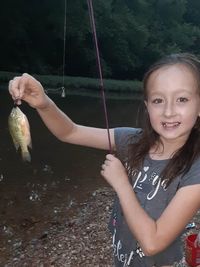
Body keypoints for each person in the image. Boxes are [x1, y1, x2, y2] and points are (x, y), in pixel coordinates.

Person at [8, 53, 200, 267]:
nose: (169, 111)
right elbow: (70, 132)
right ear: (147, 107)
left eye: (182, 99)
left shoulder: (196, 170)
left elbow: (152, 243)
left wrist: (121, 184)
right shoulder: (131, 140)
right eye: (158, 100)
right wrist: (43, 103)